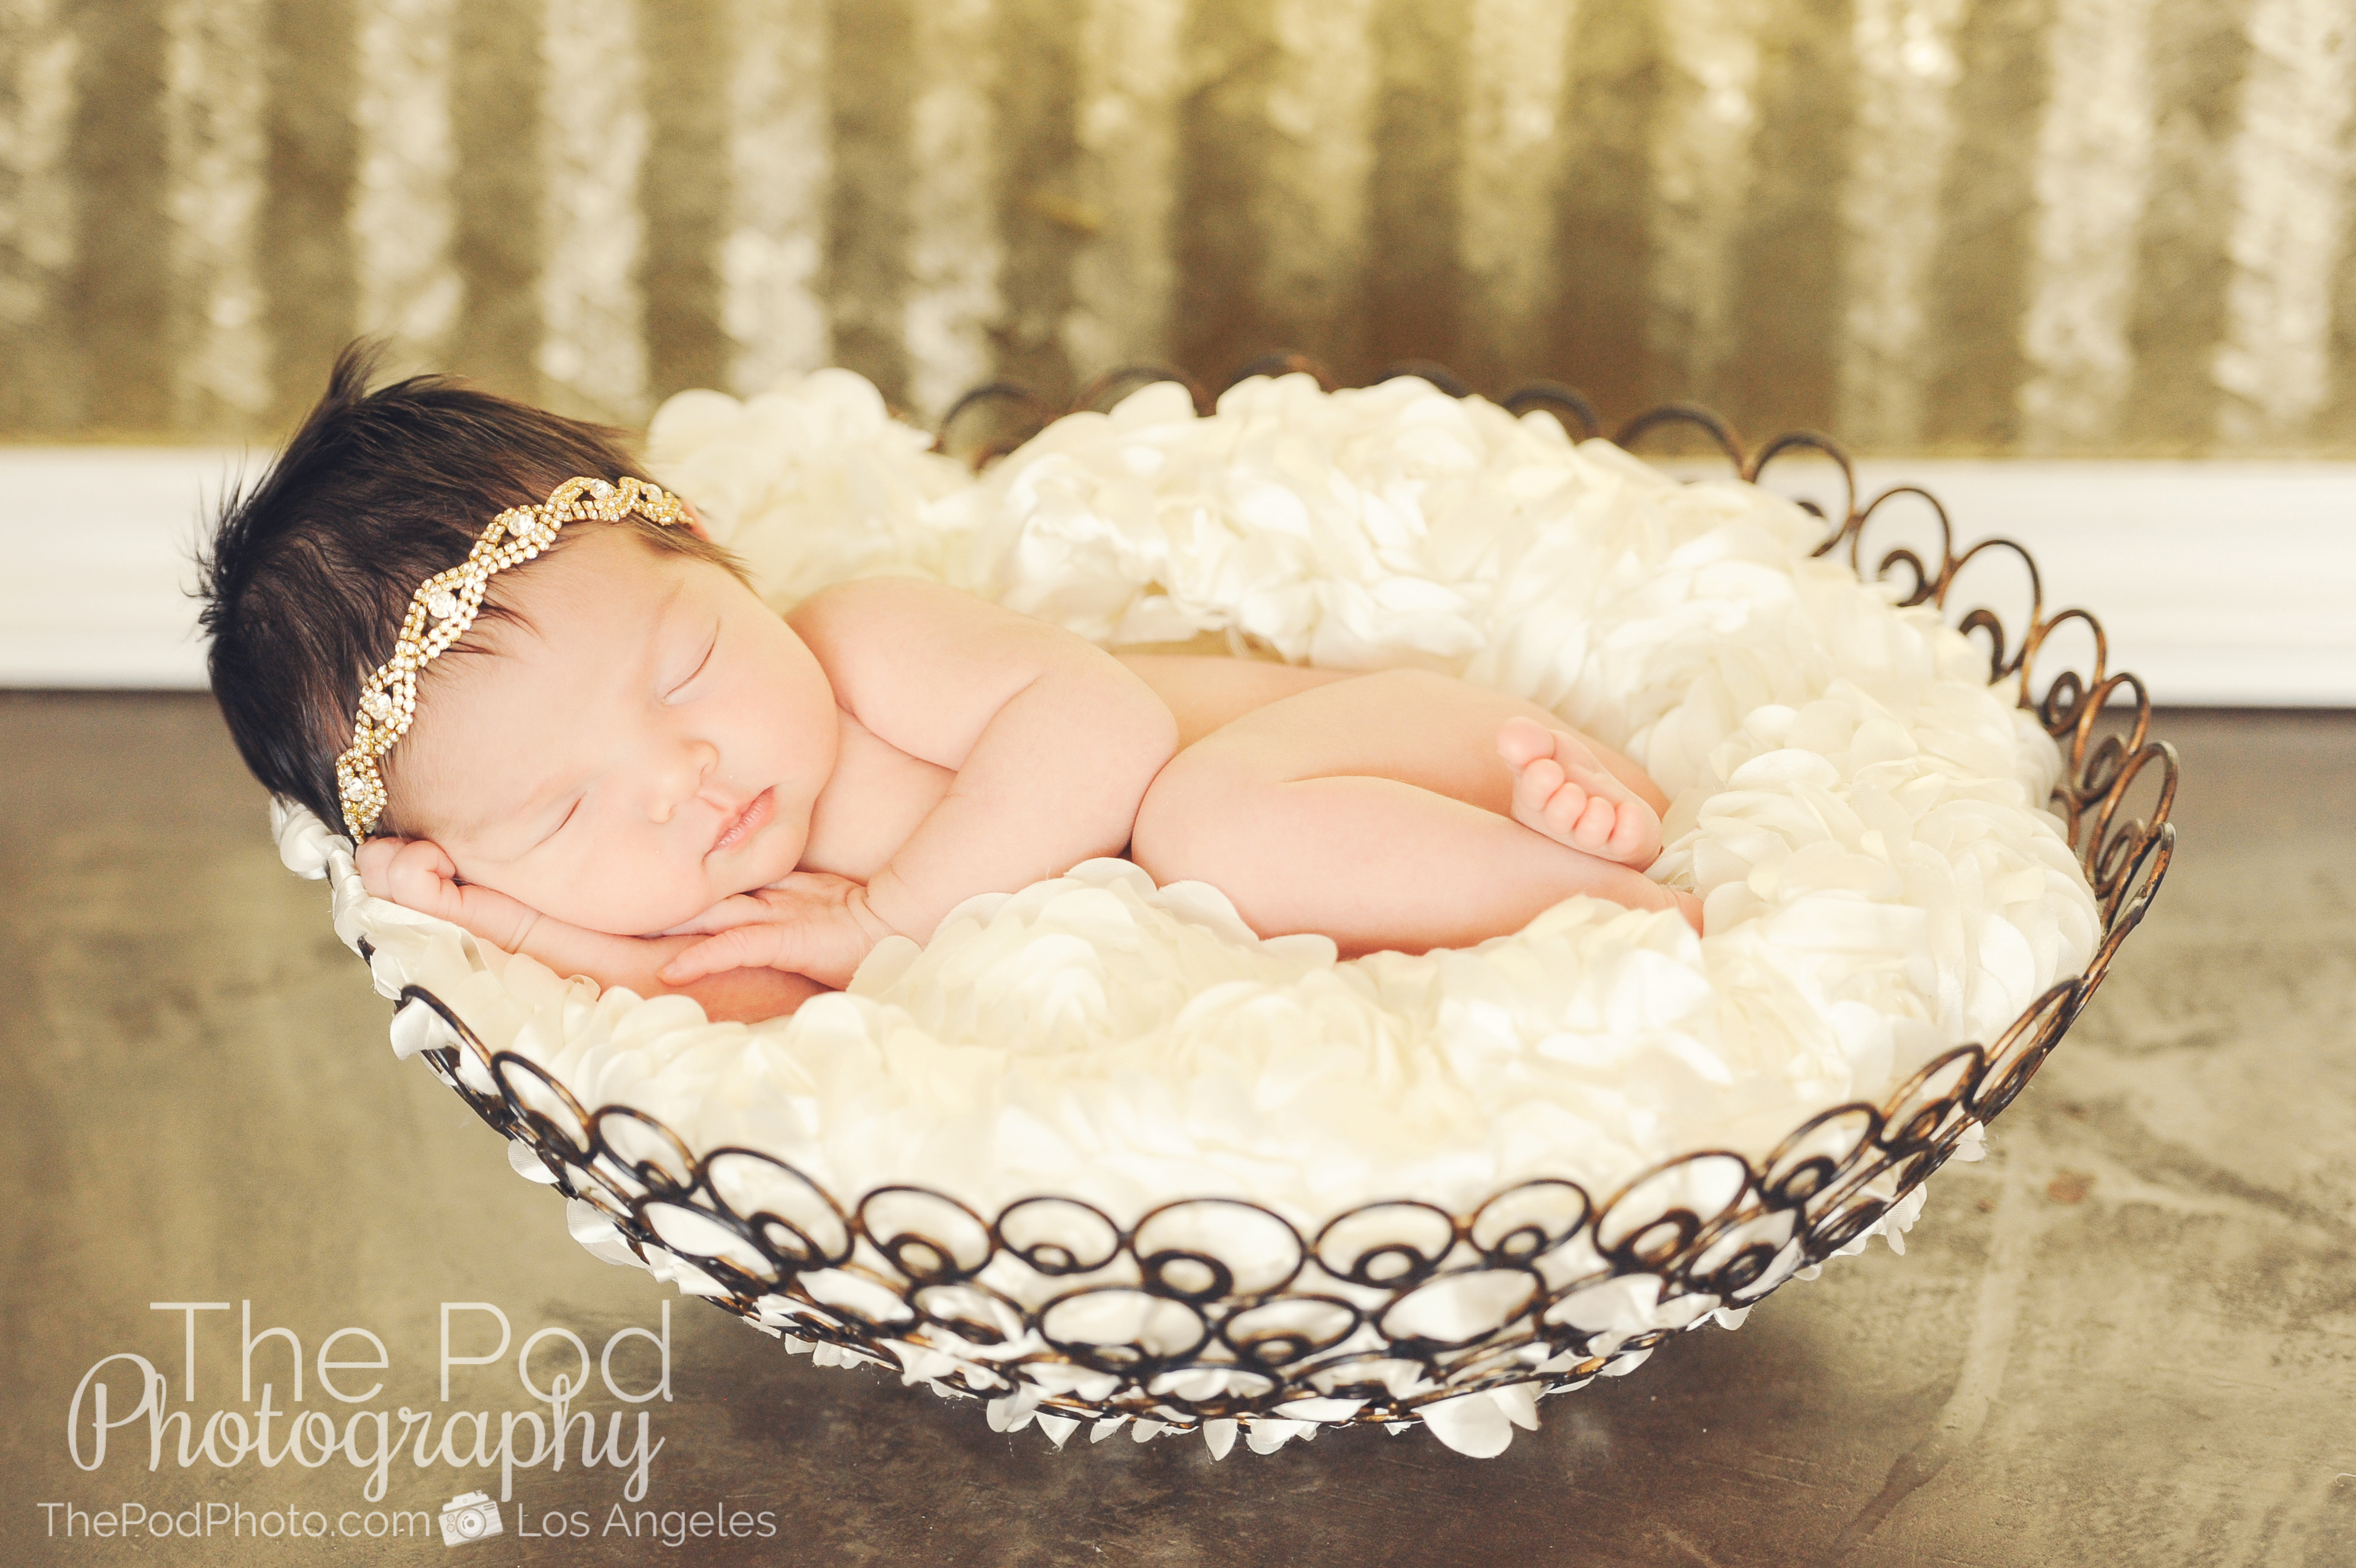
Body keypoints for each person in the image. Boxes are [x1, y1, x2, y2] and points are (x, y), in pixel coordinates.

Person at [201, 348, 1699, 1024]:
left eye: (688, 669)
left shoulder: (860, 649)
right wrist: (499, 923)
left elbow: (1098, 725)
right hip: (1346, 902)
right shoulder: (726, 901)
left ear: (715, 558)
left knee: (1204, 824)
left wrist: (884, 913)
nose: (684, 779)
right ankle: (1506, 929)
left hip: (1377, 753)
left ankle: (1601, 901)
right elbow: (701, 999)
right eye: (563, 808)